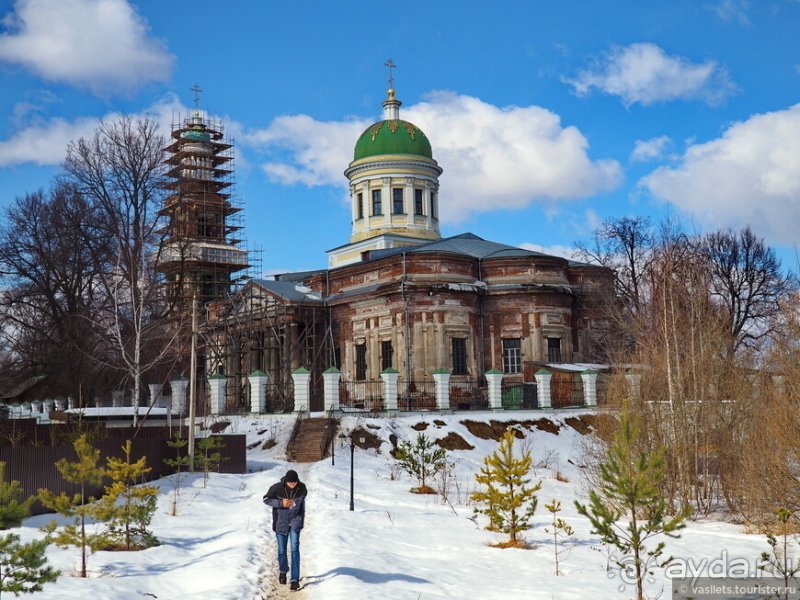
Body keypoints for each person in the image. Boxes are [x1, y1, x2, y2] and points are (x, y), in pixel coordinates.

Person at [263, 469, 307, 591]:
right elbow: (266, 499)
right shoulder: (276, 488)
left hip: (295, 522)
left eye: (294, 483)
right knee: (282, 550)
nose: (292, 485)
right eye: (290, 483)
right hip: (280, 522)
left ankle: (294, 580)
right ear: (285, 481)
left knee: (294, 549)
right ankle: (283, 571)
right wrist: (281, 503)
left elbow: (302, 503)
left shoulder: (302, 488)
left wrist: (300, 518)